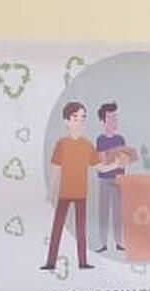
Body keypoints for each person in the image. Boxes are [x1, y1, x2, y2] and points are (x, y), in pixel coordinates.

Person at [42, 101, 107, 272]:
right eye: (75, 118)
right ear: (66, 121)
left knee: (80, 229)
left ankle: (83, 262)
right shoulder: (61, 144)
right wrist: (51, 193)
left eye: (82, 118)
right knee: (57, 227)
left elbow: (99, 167)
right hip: (63, 193)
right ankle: (50, 262)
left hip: (81, 194)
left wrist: (115, 165)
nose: (79, 122)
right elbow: (56, 170)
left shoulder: (87, 145)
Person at [94, 101, 128, 254]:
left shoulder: (120, 139)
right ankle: (103, 243)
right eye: (111, 118)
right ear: (103, 120)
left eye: (115, 117)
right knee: (104, 211)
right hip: (105, 181)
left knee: (118, 213)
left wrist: (114, 162)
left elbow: (124, 162)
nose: (114, 121)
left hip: (119, 180)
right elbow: (102, 161)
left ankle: (119, 242)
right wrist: (115, 162)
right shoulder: (100, 140)